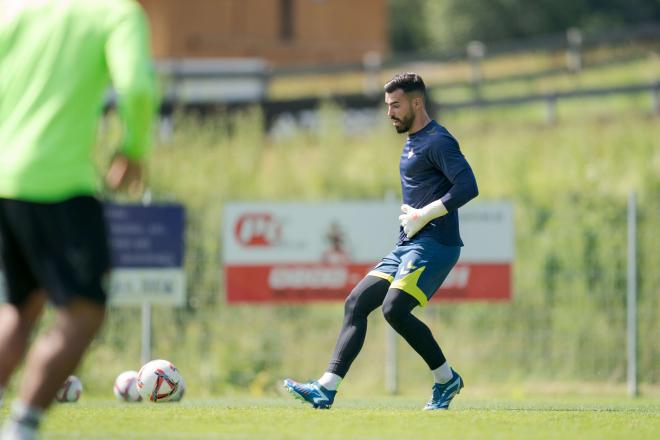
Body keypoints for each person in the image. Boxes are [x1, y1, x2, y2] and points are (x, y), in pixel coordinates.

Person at [0, 0, 157, 438]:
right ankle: (22, 427)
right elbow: (138, 88)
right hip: (59, 183)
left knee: (20, 308)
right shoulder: (113, 13)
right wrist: (135, 146)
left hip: (5, 181)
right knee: (84, 312)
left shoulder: (11, 10)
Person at [284, 72, 478, 410]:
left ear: (417, 103)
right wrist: (414, 220)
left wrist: (424, 215)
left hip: (436, 244)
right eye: (387, 105)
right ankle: (326, 388)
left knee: (394, 309)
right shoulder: (412, 141)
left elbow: (468, 186)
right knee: (356, 303)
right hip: (408, 244)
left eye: (396, 105)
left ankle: (446, 380)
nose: (389, 112)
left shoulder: (438, 140)